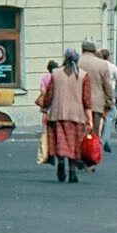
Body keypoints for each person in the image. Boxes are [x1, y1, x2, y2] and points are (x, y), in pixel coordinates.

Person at [42, 49, 92, 181]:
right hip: (77, 115)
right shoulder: (83, 75)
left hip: (57, 114)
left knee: (60, 142)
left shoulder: (56, 73)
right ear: (77, 60)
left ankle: (61, 163)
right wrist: (89, 118)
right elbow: (86, 99)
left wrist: (44, 109)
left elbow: (49, 94)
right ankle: (72, 172)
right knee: (74, 145)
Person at [78, 38, 115, 143]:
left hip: (79, 101)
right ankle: (92, 152)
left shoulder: (76, 63)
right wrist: (110, 100)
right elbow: (107, 85)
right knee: (94, 130)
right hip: (97, 102)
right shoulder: (102, 64)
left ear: (82, 49)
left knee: (80, 129)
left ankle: (80, 151)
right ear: (94, 50)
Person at [35, 60, 60, 164]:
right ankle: (58, 153)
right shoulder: (59, 78)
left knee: (47, 132)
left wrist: (44, 111)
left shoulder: (45, 78)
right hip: (58, 107)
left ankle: (50, 155)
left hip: (48, 107)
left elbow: (43, 92)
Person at [100, 49, 117, 153]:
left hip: (98, 93)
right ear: (108, 56)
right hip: (110, 93)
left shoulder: (98, 66)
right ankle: (104, 140)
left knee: (98, 116)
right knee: (109, 117)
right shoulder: (113, 67)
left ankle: (100, 138)